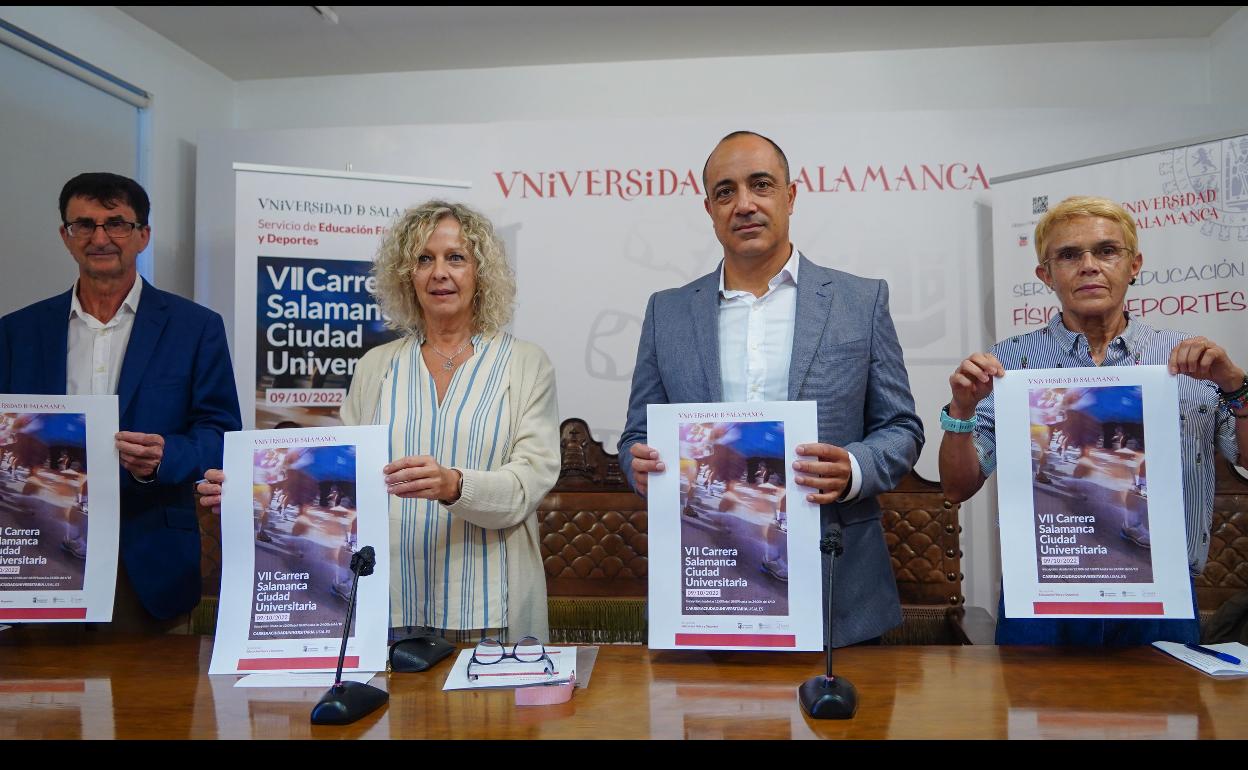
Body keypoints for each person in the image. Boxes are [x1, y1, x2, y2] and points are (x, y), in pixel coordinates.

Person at [199, 200, 559, 643]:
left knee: (492, 715)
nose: (439, 272)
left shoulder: (524, 364)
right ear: (407, 274)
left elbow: (528, 484)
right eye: (423, 259)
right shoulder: (376, 366)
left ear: (480, 272)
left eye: (456, 258)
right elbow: (342, 479)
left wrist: (454, 485)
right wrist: (249, 494)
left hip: (491, 606)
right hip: (389, 604)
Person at [618, 131, 924, 646]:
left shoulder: (859, 301)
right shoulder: (667, 312)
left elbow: (901, 428)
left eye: (761, 185)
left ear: (791, 195)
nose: (744, 204)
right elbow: (635, 437)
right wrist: (639, 466)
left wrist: (852, 468)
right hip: (705, 582)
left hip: (836, 587)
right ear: (710, 208)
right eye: (725, 191)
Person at [939, 195, 1248, 645]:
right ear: (1045, 275)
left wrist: (1237, 388)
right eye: (1068, 255)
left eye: (1106, 251)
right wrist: (962, 412)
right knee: (1032, 716)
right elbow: (956, 486)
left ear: (1134, 264)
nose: (1088, 265)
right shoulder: (1007, 365)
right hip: (1044, 596)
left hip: (1161, 597)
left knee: (1169, 716)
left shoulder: (1191, 361)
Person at [0, 172, 242, 631]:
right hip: (36, 551)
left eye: (116, 223)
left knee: (152, 702)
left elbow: (220, 434)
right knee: (36, 699)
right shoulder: (16, 332)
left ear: (143, 235)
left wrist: (165, 457)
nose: (100, 237)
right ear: (65, 236)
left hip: (150, 560)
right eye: (83, 225)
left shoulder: (195, 328)